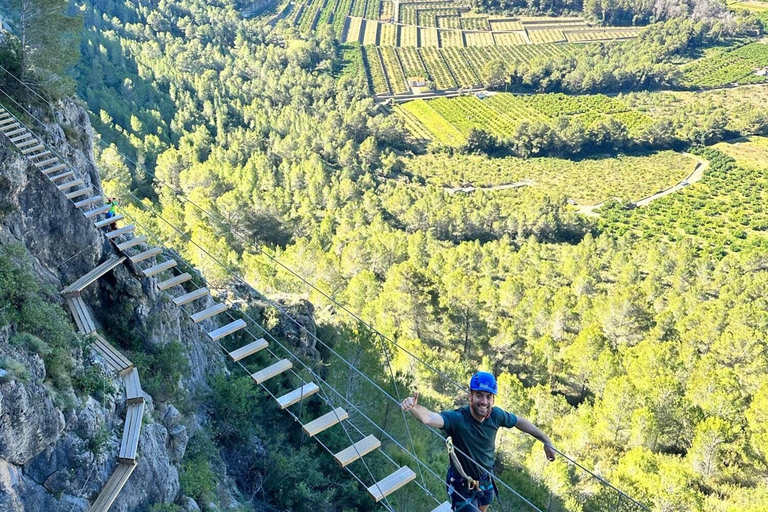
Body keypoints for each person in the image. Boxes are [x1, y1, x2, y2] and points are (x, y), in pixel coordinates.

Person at [400, 371, 556, 512]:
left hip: (485, 480)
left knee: (483, 508)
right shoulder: (458, 419)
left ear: (493, 399)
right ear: (471, 397)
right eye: (479, 395)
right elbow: (429, 417)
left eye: (488, 397)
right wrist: (414, 407)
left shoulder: (496, 416)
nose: (484, 401)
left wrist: (546, 440)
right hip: (461, 486)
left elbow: (519, 422)